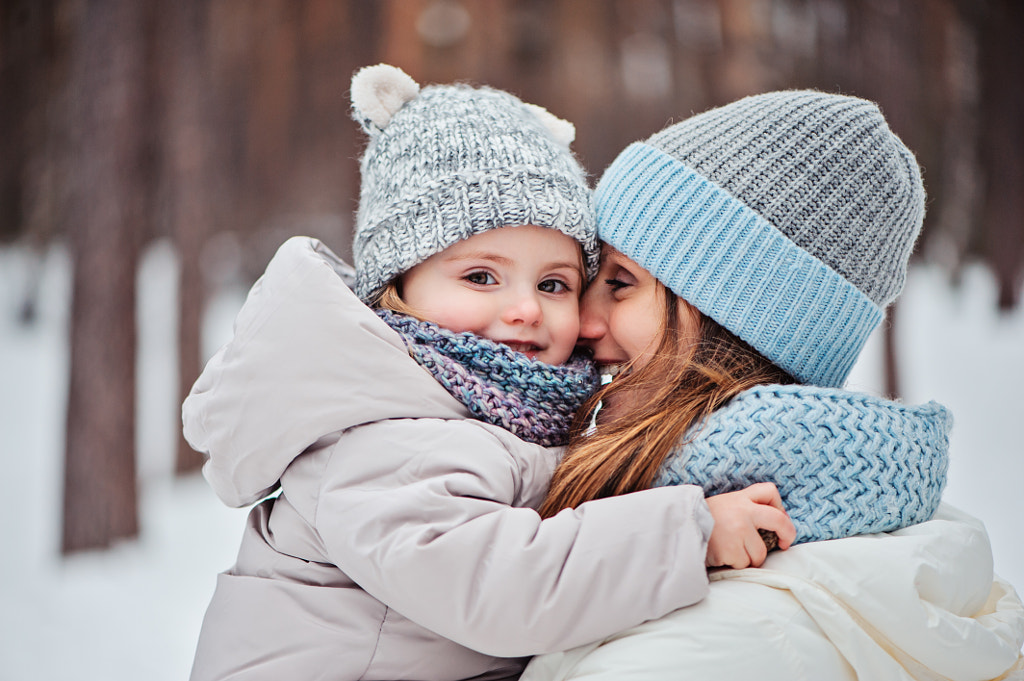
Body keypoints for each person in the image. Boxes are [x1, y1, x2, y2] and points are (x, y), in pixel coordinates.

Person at [183, 65, 794, 681]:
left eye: (554, 283)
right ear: (396, 287)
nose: (526, 308)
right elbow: (499, 588)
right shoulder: (386, 436)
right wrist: (686, 536)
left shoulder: (494, 415)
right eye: (481, 277)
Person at [523, 91, 1024, 679]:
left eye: (622, 282)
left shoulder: (698, 647)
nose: (581, 322)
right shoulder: (856, 528)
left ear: (733, 324)